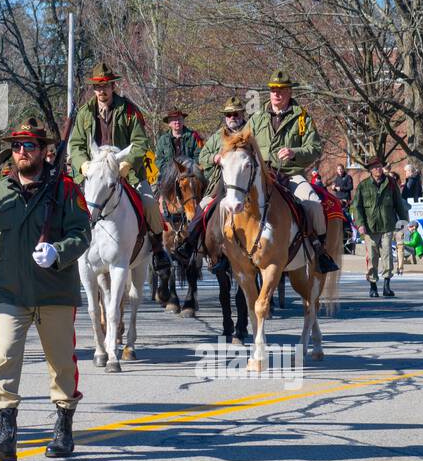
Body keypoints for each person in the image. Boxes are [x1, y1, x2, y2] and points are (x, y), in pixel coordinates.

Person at [0, 119, 91, 461]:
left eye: (29, 145)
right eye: (16, 146)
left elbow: (81, 235)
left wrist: (59, 251)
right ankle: (6, 435)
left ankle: (63, 429)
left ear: (45, 150)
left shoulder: (67, 191)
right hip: (12, 293)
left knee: (60, 364)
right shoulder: (1, 192)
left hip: (55, 293)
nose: (22, 152)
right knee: (5, 360)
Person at [67, 60, 169, 273]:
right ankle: (63, 249)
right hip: (94, 172)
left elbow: (141, 143)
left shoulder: (130, 110)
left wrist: (127, 164)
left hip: (126, 172)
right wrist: (82, 164)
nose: (101, 90)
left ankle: (158, 248)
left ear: (113, 86)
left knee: (150, 203)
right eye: (97, 86)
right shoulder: (85, 113)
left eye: (105, 85)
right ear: (93, 88)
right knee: (66, 205)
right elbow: (75, 145)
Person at [246, 70, 339, 273]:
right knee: (234, 201)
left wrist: (294, 152)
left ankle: (319, 250)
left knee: (313, 203)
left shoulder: (302, 118)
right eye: (273, 90)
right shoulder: (256, 118)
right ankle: (229, 251)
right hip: (262, 175)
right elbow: (244, 143)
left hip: (290, 175)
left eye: (281, 90)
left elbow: (314, 149)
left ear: (289, 92)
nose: (276, 94)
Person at [172, 96, 248, 272]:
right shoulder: (217, 137)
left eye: (236, 114)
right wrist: (214, 157)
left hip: (246, 183)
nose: (232, 117)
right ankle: (190, 245)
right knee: (202, 208)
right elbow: (203, 156)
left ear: (242, 114)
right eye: (228, 115)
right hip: (220, 182)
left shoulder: (250, 133)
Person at [350, 158, 409, 297]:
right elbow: (357, 207)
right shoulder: (363, 186)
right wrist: (360, 225)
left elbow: (399, 204)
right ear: (370, 170)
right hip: (370, 228)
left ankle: (387, 286)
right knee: (372, 257)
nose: (378, 169)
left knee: (387, 255)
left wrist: (404, 223)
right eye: (375, 167)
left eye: (379, 166)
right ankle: (373, 286)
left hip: (388, 226)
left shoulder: (391, 183)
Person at [154, 107, 204, 178]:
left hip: (190, 173)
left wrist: (188, 167)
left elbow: (199, 155)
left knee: (206, 185)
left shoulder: (194, 136)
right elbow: (158, 159)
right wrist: (169, 170)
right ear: (169, 123)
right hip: (168, 175)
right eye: (174, 120)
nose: (177, 122)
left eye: (179, 119)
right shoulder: (163, 139)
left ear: (183, 121)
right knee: (155, 187)